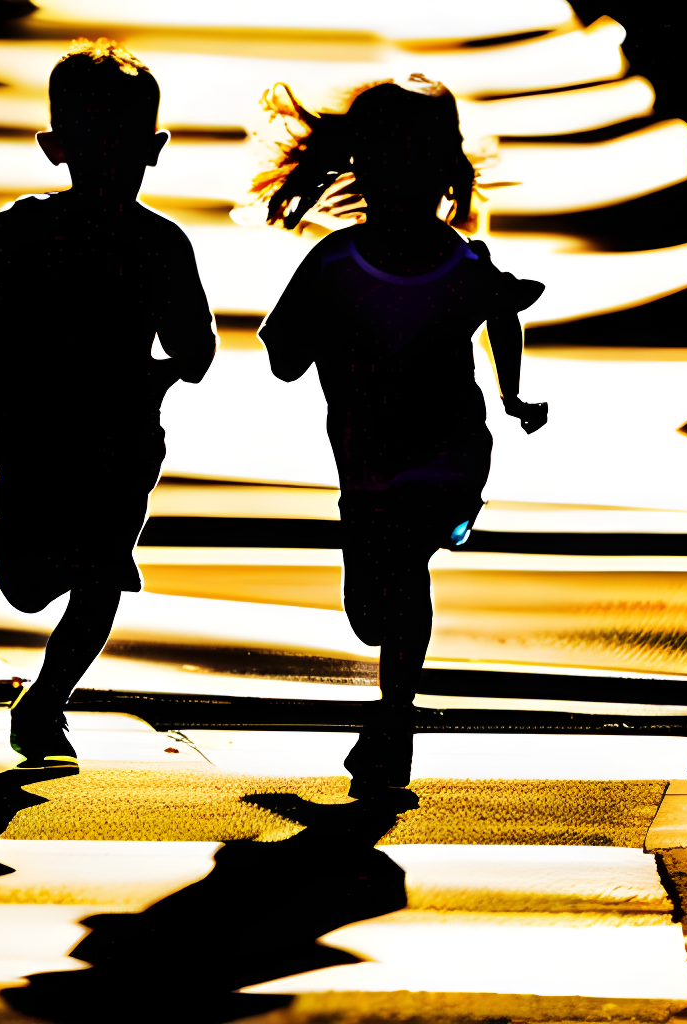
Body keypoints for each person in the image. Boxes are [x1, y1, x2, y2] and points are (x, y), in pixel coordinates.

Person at [0, 38, 216, 767]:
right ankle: (35, 609)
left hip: (119, 440)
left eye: (122, 147)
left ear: (154, 149)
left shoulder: (160, 245)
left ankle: (46, 702)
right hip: (34, 430)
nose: (110, 163)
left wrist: (165, 371)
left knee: (101, 572)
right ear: (55, 148)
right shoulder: (29, 227)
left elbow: (197, 349)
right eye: (94, 146)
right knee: (26, 585)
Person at [256, 75, 549, 720]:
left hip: (450, 452)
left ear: (447, 168)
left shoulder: (464, 264)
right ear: (361, 163)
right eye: (389, 155)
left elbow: (501, 315)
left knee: (406, 564)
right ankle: (393, 706)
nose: (404, 171)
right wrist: (310, 343)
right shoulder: (333, 264)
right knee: (369, 612)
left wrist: (514, 396)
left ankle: (394, 721)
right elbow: (281, 351)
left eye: (421, 156)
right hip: (365, 461)